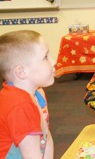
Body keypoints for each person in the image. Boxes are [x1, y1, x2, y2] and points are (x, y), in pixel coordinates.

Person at [0, 30, 55, 158]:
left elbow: (46, 137)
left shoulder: (37, 93)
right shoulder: (19, 105)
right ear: (21, 72)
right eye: (45, 57)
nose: (53, 62)